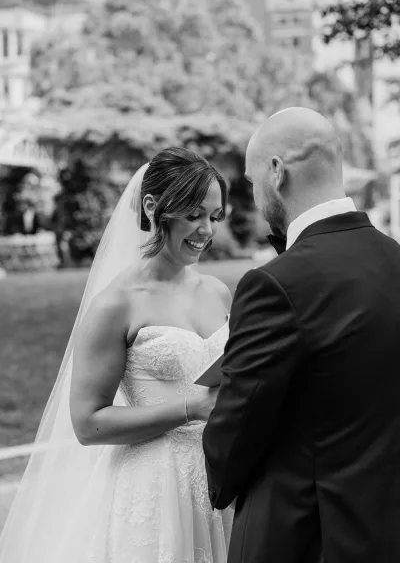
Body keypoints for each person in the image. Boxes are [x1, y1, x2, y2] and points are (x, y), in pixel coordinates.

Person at [0, 147, 233, 563]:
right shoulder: (115, 304)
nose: (206, 230)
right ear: (153, 207)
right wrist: (192, 406)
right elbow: (89, 424)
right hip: (154, 490)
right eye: (194, 215)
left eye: (214, 217)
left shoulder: (217, 292)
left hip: (221, 485)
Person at [203, 107, 400, 563]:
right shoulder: (396, 260)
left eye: (252, 181)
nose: (254, 197)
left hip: (304, 537)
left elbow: (231, 444)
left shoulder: (275, 283)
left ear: (276, 172)